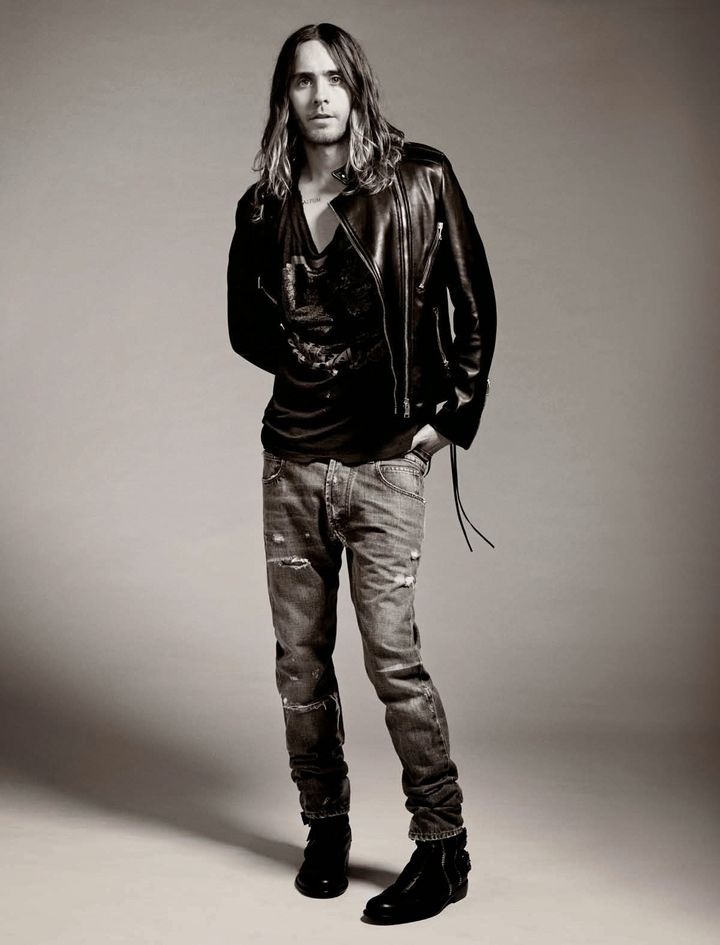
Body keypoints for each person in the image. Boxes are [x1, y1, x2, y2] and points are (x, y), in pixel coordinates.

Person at [227, 22, 496, 925]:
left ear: (358, 89)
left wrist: (443, 423)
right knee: (300, 665)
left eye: (335, 78)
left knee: (393, 660)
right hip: (291, 462)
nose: (321, 96)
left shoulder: (419, 179)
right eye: (303, 81)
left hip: (384, 463)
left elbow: (474, 306)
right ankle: (325, 825)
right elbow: (245, 328)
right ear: (285, 97)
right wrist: (313, 370)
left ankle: (443, 845)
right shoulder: (261, 206)